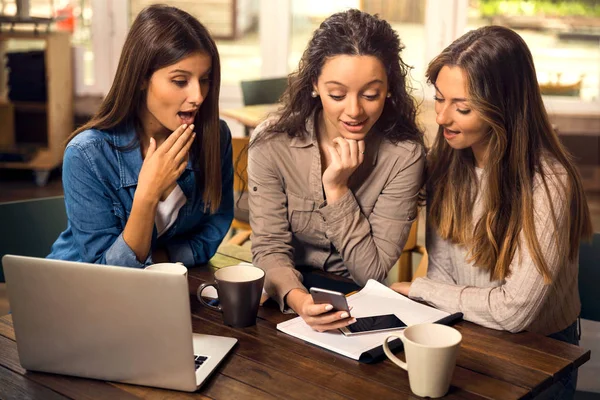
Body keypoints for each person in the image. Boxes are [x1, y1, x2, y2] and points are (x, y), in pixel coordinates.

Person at [390, 26, 592, 399]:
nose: (442, 118)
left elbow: (515, 313)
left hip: (541, 356)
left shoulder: (549, 183)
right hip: (469, 331)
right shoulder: (447, 163)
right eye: (439, 99)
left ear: (505, 107)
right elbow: (444, 273)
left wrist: (421, 290)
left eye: (462, 107)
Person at [248, 9, 425, 332]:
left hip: (360, 298)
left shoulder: (404, 155)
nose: (355, 111)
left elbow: (370, 272)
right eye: (337, 94)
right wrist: (300, 300)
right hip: (285, 293)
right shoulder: (272, 143)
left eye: (371, 94)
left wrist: (338, 190)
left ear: (389, 88)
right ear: (314, 83)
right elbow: (269, 246)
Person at [48, 5, 233, 268]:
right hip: (79, 291)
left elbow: (213, 230)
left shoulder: (215, 137)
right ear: (140, 78)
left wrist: (157, 261)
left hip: (160, 285)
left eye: (205, 79)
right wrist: (147, 193)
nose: (198, 96)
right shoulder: (86, 155)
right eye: (180, 81)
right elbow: (106, 272)